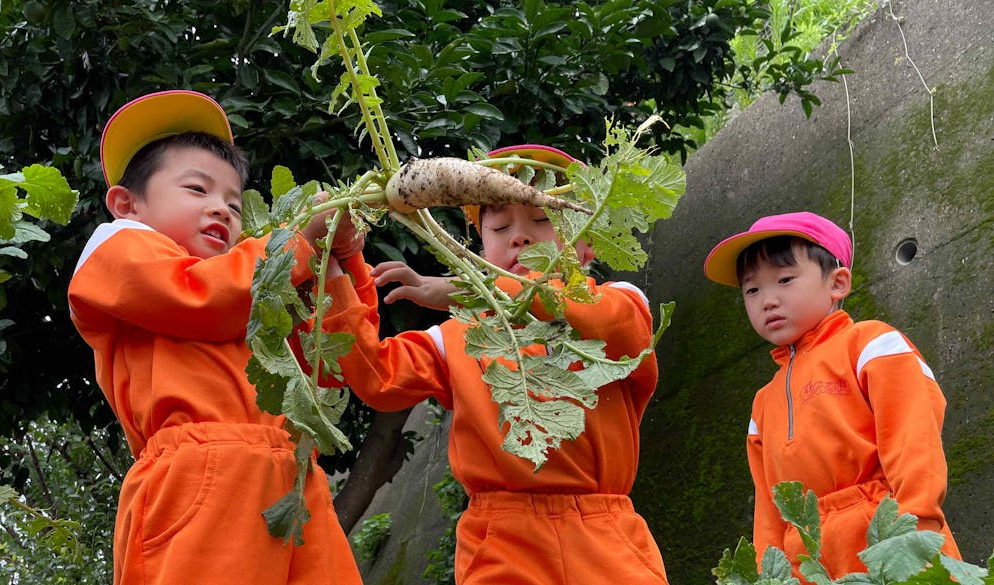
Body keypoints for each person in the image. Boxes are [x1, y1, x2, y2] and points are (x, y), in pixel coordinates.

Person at [319, 144, 669, 585]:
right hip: (501, 540)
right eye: (500, 225)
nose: (518, 236)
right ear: (480, 244)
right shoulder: (457, 336)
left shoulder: (619, 303)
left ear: (586, 246)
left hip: (606, 533)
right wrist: (338, 268)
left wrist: (465, 289)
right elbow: (377, 376)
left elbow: (601, 318)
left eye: (542, 220)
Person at [67, 90, 364, 585]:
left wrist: (338, 259)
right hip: (198, 476)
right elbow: (199, 299)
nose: (223, 210)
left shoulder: (256, 281)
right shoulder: (117, 249)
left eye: (232, 201)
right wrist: (295, 242)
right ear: (127, 204)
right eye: (197, 190)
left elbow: (332, 364)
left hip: (290, 480)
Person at [702, 211, 961, 580]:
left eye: (785, 279)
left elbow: (913, 439)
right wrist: (769, 574)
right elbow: (769, 507)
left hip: (888, 538)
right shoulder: (763, 402)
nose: (767, 300)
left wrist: (917, 528)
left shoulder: (870, 344)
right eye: (752, 289)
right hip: (807, 560)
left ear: (838, 282)